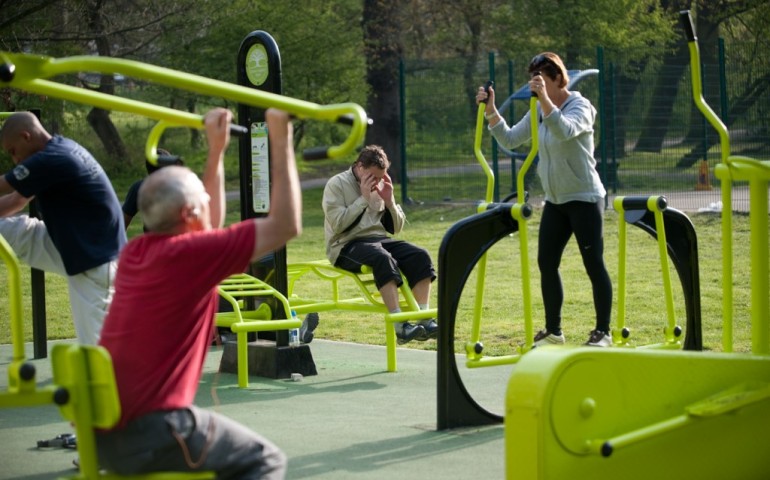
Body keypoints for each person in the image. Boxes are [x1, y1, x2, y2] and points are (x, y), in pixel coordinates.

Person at [96, 108, 295, 478]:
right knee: (265, 460)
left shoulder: (137, 252)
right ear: (189, 213)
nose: (209, 200)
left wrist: (216, 150)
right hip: (155, 431)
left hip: (108, 438)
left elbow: (207, 225)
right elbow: (286, 224)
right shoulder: (188, 256)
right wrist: (280, 140)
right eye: (203, 198)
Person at [476, 52, 613, 347]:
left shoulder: (581, 106)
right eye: (533, 80)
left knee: (593, 264)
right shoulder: (539, 108)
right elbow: (511, 138)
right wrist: (491, 109)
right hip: (555, 200)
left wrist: (545, 101)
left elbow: (564, 130)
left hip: (584, 198)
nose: (535, 86)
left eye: (541, 80)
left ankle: (604, 331)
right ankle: (554, 331)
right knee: (546, 263)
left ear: (557, 78)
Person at [0, 111, 126, 345]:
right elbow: (15, 201)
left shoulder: (52, 158)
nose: (14, 159)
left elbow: (3, 187)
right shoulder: (58, 150)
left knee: (98, 350)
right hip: (73, 245)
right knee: (20, 232)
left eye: (12, 151)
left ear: (26, 136)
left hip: (95, 263)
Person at [322, 145, 437, 344]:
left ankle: (424, 319)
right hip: (345, 245)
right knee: (382, 258)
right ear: (359, 167)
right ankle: (399, 326)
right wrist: (363, 199)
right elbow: (339, 225)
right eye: (372, 176)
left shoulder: (380, 184)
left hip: (378, 239)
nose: (377, 181)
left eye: (381, 176)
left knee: (420, 255)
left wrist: (390, 201)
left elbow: (396, 229)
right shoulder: (336, 184)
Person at [122, 148, 184, 230]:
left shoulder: (139, 187)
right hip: (179, 239)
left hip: (153, 240)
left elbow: (123, 222)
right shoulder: (182, 186)